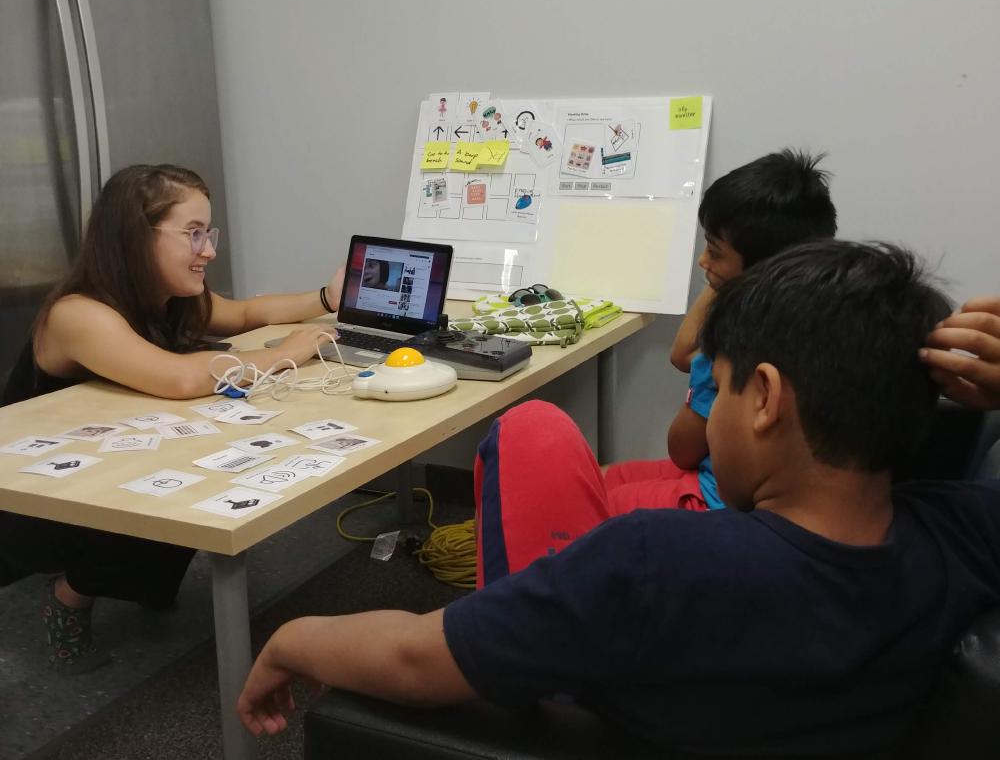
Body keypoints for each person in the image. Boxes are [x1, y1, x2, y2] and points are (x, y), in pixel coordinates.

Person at [237, 242, 1000, 756]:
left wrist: (293, 637)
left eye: (719, 385)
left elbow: (412, 658)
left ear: (764, 397)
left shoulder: (652, 564)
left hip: (575, 711)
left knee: (528, 432)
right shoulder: (964, 535)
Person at [0, 163, 345, 673]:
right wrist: (283, 355)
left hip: (115, 457)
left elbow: (248, 313)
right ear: (136, 237)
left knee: (197, 470)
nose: (208, 250)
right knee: (162, 495)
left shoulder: (170, 300)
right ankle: (70, 597)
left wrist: (324, 299)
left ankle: (137, 579)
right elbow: (180, 379)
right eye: (193, 234)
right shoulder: (78, 313)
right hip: (42, 492)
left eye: (210, 233)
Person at [604, 149, 838, 517]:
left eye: (714, 251)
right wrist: (730, 281)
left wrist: (737, 284)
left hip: (716, 498)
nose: (702, 261)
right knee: (603, 479)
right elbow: (682, 355)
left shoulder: (738, 344)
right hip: (733, 484)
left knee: (594, 502)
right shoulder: (813, 317)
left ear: (758, 269)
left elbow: (680, 451)